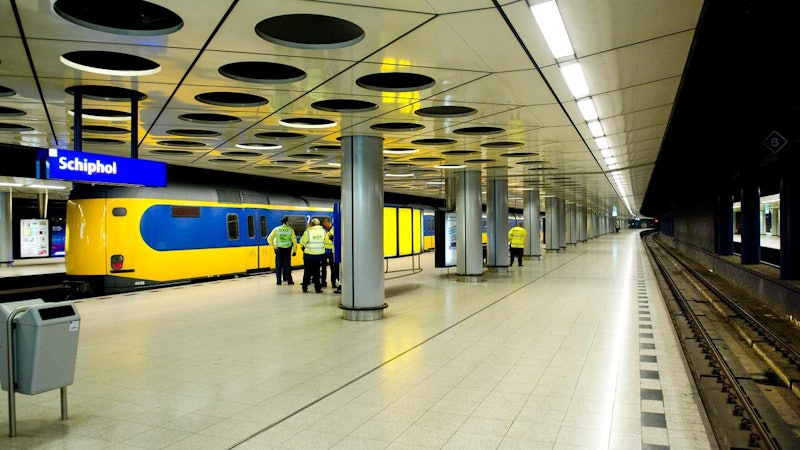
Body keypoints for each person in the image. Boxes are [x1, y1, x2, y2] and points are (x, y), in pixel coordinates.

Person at [299, 217, 326, 293]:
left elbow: (302, 242)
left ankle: (305, 287)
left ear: (312, 224)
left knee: (307, 271)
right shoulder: (323, 231)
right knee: (317, 272)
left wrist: (304, 247)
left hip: (309, 255)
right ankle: (317, 289)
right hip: (319, 255)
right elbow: (326, 241)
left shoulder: (308, 231)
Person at [267, 216, 296, 285]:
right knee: (287, 265)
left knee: (278, 266)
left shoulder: (276, 229)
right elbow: (294, 242)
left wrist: (274, 247)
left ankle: (278, 281)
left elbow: (269, 239)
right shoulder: (290, 230)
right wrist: (294, 251)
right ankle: (289, 281)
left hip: (279, 249)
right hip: (287, 249)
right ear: (286, 222)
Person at [320, 217, 339, 290]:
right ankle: (323, 282)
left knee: (333, 268)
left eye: (327, 225)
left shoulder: (334, 229)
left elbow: (337, 239)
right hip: (324, 251)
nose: (326, 227)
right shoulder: (322, 230)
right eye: (325, 225)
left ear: (329, 223)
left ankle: (333, 283)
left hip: (331, 251)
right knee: (323, 268)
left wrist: (332, 238)